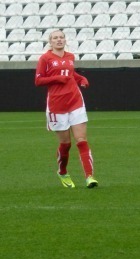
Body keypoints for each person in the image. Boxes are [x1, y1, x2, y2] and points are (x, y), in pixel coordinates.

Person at [35, 30, 98, 189]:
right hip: (57, 105)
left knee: (81, 140)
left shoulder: (70, 56)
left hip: (75, 101)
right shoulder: (45, 58)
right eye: (55, 38)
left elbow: (70, 74)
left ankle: (89, 176)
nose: (59, 40)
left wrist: (80, 78)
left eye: (61, 37)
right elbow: (38, 80)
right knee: (66, 144)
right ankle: (62, 172)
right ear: (50, 41)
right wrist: (57, 79)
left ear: (65, 40)